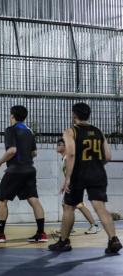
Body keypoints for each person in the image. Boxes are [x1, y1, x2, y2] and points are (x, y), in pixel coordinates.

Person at [49, 103, 122, 253]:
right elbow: (108, 156)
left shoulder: (70, 131)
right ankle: (113, 239)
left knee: (69, 207)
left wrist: (67, 177)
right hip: (98, 173)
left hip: (78, 174)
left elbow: (70, 154)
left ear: (74, 115)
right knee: (101, 208)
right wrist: (95, 165)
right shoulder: (98, 131)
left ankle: (64, 242)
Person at [0, 105, 48, 243]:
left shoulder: (11, 130)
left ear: (12, 116)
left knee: (1, 200)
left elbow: (12, 150)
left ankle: (0, 234)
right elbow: (34, 153)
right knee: (33, 200)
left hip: (15, 170)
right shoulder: (29, 131)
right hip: (30, 169)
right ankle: (41, 233)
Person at [55, 138, 101, 235]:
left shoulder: (68, 158)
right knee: (66, 205)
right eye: (57, 144)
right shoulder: (65, 158)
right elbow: (67, 174)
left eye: (59, 144)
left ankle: (94, 226)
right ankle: (69, 227)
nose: (57, 146)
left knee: (78, 205)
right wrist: (64, 185)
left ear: (65, 147)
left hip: (76, 184)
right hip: (73, 184)